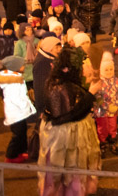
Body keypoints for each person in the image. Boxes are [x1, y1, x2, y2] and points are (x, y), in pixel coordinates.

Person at [39, 46, 101, 194]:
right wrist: (91, 94)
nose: (84, 71)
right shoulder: (59, 86)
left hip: (71, 134)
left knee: (73, 171)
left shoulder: (64, 81)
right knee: (67, 168)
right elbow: (67, 116)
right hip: (65, 137)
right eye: (80, 67)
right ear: (68, 69)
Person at [0, 55, 36, 163]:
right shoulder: (13, 81)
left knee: (22, 132)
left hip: (18, 112)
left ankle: (20, 152)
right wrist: (25, 106)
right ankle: (11, 155)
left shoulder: (15, 78)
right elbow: (17, 98)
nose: (24, 66)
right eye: (22, 65)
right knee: (18, 134)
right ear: (15, 67)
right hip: (16, 112)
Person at [91, 52, 118, 157]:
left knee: (113, 127)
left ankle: (112, 143)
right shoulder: (98, 82)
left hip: (113, 110)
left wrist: (117, 105)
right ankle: (102, 145)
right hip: (101, 111)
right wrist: (105, 106)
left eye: (111, 69)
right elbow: (96, 97)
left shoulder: (117, 81)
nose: (109, 72)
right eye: (106, 69)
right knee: (102, 128)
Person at [13, 23, 38, 88]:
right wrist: (21, 65)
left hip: (35, 67)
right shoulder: (19, 43)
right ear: (22, 32)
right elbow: (17, 56)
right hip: (25, 69)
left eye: (31, 30)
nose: (30, 32)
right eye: (27, 30)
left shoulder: (37, 41)